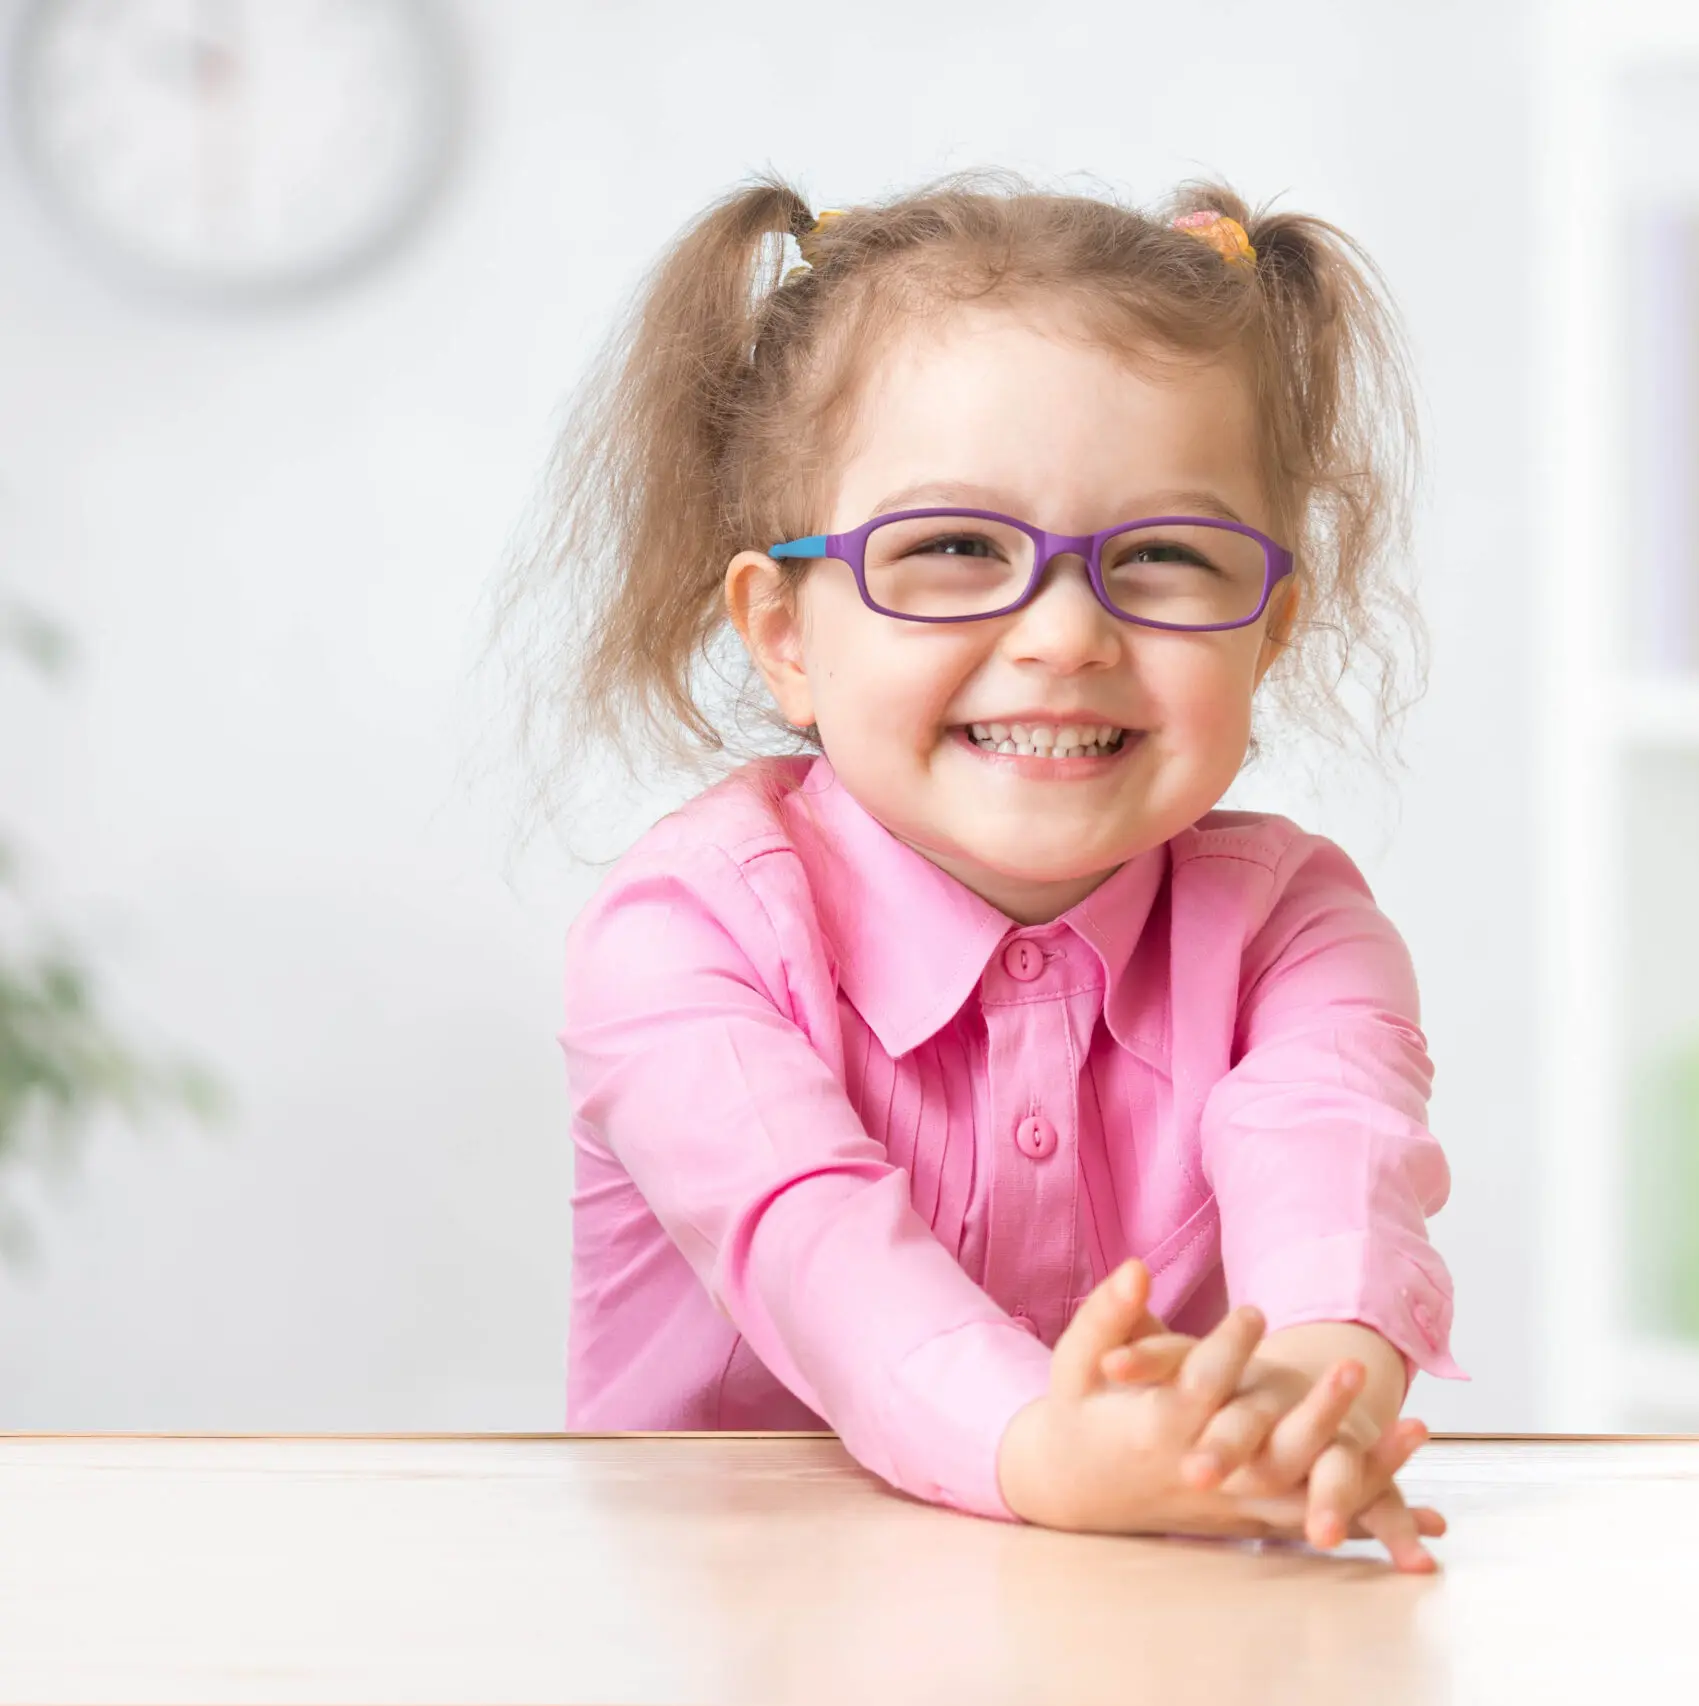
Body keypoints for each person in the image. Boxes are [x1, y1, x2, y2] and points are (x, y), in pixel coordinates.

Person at [525, 174, 1461, 1572]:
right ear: (784, 632)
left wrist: (1300, 1409)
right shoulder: (686, 937)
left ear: (1267, 632)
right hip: (739, 1626)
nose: (1067, 632)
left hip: (1150, 1618)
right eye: (954, 548)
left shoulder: (1296, 930)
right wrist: (1044, 1447)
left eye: (1162, 555)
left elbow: (1334, 1163)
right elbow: (817, 1250)